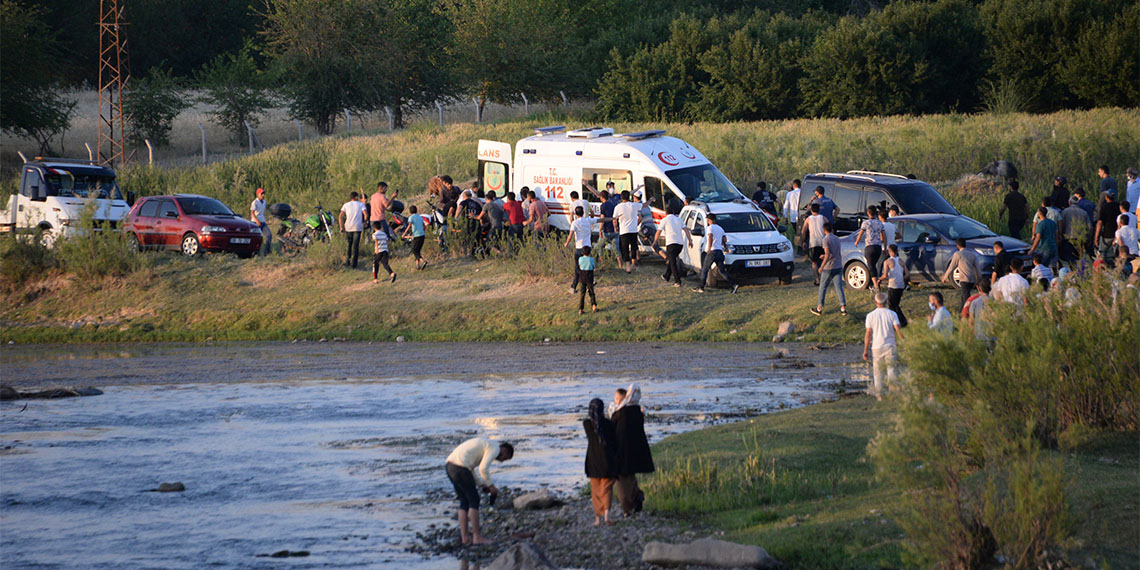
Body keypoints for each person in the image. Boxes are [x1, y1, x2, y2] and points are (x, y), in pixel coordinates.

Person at [445, 438, 514, 546]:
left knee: (464, 502)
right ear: (504, 450)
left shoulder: (485, 445)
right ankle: (477, 537)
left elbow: (471, 468)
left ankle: (465, 538)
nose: (501, 461)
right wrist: (491, 485)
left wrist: (481, 484)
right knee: (474, 500)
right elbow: (483, 469)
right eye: (504, 458)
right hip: (461, 468)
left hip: (450, 467)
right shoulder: (495, 447)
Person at [611, 384, 653, 516]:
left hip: (622, 451)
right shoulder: (638, 411)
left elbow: (612, 429)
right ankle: (636, 499)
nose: (615, 401)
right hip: (635, 452)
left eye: (617, 398)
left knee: (621, 479)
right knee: (630, 476)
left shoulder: (619, 413)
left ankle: (627, 507)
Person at [583, 398, 617, 526]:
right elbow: (614, 440)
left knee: (595, 490)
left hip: (592, 460)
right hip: (607, 460)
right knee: (606, 488)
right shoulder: (609, 424)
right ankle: (607, 515)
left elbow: (592, 421)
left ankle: (597, 518)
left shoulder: (586, 424)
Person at [862, 292, 901, 401]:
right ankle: (893, 393)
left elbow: (868, 334)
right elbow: (897, 329)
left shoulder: (870, 316)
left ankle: (879, 395)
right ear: (886, 301)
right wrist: (903, 341)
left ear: (875, 302)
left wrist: (865, 350)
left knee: (878, 371)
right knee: (892, 369)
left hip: (876, 347)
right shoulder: (892, 314)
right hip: (890, 345)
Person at [693, 213, 738, 294]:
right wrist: (723, 245)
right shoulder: (720, 228)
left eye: (707, 219)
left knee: (705, 269)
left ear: (709, 220)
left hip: (712, 251)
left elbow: (710, 236)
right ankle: (733, 285)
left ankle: (701, 287)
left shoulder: (709, 228)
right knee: (722, 271)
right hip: (719, 251)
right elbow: (724, 239)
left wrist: (709, 247)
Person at [654, 201, 692, 287]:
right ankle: (666, 276)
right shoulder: (679, 219)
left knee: (673, 262)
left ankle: (677, 281)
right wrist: (690, 240)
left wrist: (655, 241)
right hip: (679, 244)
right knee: (672, 260)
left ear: (666, 213)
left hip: (671, 243)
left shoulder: (665, 220)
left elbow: (658, 232)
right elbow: (686, 230)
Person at [811, 222, 847, 316]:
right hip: (838, 265)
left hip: (829, 267)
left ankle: (819, 308)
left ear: (824, 230)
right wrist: (825, 255)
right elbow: (833, 252)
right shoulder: (837, 238)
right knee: (839, 287)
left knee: (822, 287)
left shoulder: (825, 239)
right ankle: (843, 308)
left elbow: (827, 254)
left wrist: (822, 266)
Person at [939, 238, 979, 313]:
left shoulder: (958, 254)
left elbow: (951, 267)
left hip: (964, 279)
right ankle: (962, 310)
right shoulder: (972, 254)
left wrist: (945, 277)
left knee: (966, 296)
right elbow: (977, 267)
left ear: (958, 245)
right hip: (972, 279)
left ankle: (967, 311)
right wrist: (979, 279)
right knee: (964, 295)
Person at [853, 205, 886, 289]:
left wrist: (857, 241)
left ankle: (875, 285)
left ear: (868, 213)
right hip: (878, 246)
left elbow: (861, 233)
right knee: (873, 265)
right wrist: (884, 246)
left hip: (869, 246)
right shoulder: (880, 223)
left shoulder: (865, 223)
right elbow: (884, 236)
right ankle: (873, 283)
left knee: (871, 265)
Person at [876, 244, 908, 327]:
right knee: (896, 304)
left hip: (892, 285)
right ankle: (900, 321)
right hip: (900, 286)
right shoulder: (901, 261)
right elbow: (907, 274)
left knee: (891, 305)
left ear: (889, 251)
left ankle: (900, 321)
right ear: (897, 251)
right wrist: (902, 278)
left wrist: (879, 279)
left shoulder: (887, 262)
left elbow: (885, 275)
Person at [613, 191, 641, 272]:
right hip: (633, 230)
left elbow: (614, 219)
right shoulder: (634, 205)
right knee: (633, 247)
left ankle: (628, 266)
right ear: (629, 197)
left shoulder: (618, 207)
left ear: (621, 197)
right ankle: (633, 264)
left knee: (624, 248)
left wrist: (615, 227)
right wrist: (650, 200)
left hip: (624, 230)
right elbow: (644, 205)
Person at [339, 191, 366, 268]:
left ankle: (348, 260)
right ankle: (354, 264)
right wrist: (365, 222)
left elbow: (340, 216)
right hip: (357, 227)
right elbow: (366, 215)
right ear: (356, 197)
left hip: (348, 227)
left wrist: (341, 227)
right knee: (356, 246)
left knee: (349, 244)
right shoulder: (361, 204)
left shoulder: (346, 205)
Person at [1061, 195, 1091, 261]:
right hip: (1080, 238)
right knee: (1078, 258)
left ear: (1070, 202)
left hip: (1069, 237)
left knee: (1069, 258)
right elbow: (1089, 227)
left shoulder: (1065, 211)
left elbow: (1062, 225)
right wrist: (1088, 238)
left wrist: (1061, 235)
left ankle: (1072, 270)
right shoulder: (1084, 212)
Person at [802, 203, 826, 286]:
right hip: (823, 242)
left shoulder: (808, 219)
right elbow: (830, 228)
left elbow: (803, 231)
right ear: (819, 209)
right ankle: (824, 278)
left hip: (813, 243)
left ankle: (817, 279)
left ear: (811, 210)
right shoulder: (823, 218)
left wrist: (804, 241)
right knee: (824, 260)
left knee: (814, 262)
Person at [401, 205, 427, 270]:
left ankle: (423, 261)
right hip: (422, 235)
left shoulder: (411, 217)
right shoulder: (420, 217)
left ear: (410, 211)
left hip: (417, 236)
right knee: (417, 250)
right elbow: (424, 225)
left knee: (414, 250)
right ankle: (417, 265)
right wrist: (423, 232)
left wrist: (404, 234)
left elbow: (409, 225)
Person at [1094, 191, 1118, 261]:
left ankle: (1103, 269)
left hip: (1106, 235)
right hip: (1116, 235)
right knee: (1115, 256)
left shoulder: (1104, 207)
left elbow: (1100, 222)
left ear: (1106, 197)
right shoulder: (1118, 206)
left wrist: (1096, 237)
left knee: (1103, 255)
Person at [576, 245, 598, 314]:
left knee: (582, 294)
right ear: (590, 252)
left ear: (582, 252)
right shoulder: (591, 259)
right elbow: (594, 267)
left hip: (582, 278)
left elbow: (579, 266)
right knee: (591, 293)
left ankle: (580, 309)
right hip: (589, 277)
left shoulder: (580, 259)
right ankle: (594, 306)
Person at [249, 187, 271, 256]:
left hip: (263, 221)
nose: (263, 195)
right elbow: (252, 213)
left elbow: (262, 212)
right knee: (257, 237)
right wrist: (257, 221)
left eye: (263, 193)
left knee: (269, 235)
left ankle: (267, 251)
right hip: (255, 222)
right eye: (261, 193)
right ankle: (255, 252)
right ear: (258, 194)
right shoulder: (255, 202)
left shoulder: (264, 202)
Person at [782, 179, 802, 250]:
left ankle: (798, 248)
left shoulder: (790, 194)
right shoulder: (803, 193)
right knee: (802, 233)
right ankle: (802, 249)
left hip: (793, 217)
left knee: (796, 232)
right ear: (800, 185)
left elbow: (786, 206)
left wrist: (786, 217)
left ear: (793, 185)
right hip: (802, 217)